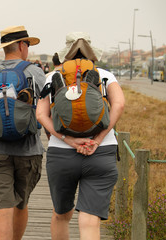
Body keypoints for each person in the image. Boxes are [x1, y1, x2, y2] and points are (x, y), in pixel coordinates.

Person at [36, 32, 125, 240]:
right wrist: (99, 139)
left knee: (61, 214)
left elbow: (40, 114)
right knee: (90, 219)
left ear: (65, 52)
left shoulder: (52, 78)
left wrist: (69, 140)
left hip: (62, 155)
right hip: (101, 153)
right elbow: (119, 104)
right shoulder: (105, 75)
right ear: (92, 52)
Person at [0, 25, 46, 240]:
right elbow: (48, 109)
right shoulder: (34, 72)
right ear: (22, 46)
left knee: (2, 207)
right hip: (29, 150)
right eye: (28, 45)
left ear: (5, 48)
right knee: (21, 205)